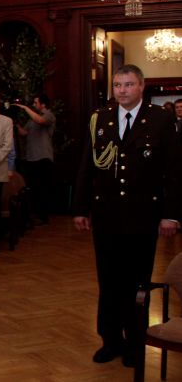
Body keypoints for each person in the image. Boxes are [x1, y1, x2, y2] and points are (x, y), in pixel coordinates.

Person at [74, 64, 182, 368]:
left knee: (137, 284)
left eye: (129, 84)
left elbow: (175, 171)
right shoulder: (100, 118)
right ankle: (110, 340)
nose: (122, 90)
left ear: (141, 86)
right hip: (106, 215)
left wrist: (171, 215)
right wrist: (80, 208)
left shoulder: (160, 119)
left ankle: (135, 343)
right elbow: (87, 165)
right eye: (118, 85)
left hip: (142, 215)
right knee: (108, 280)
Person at [14, 94, 56, 224]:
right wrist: (15, 125)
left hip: (43, 157)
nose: (33, 105)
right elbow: (24, 133)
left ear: (43, 105)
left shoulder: (48, 115)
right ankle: (34, 215)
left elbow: (40, 121)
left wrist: (25, 108)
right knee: (34, 188)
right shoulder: (32, 119)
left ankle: (43, 216)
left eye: (35, 103)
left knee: (42, 188)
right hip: (31, 157)